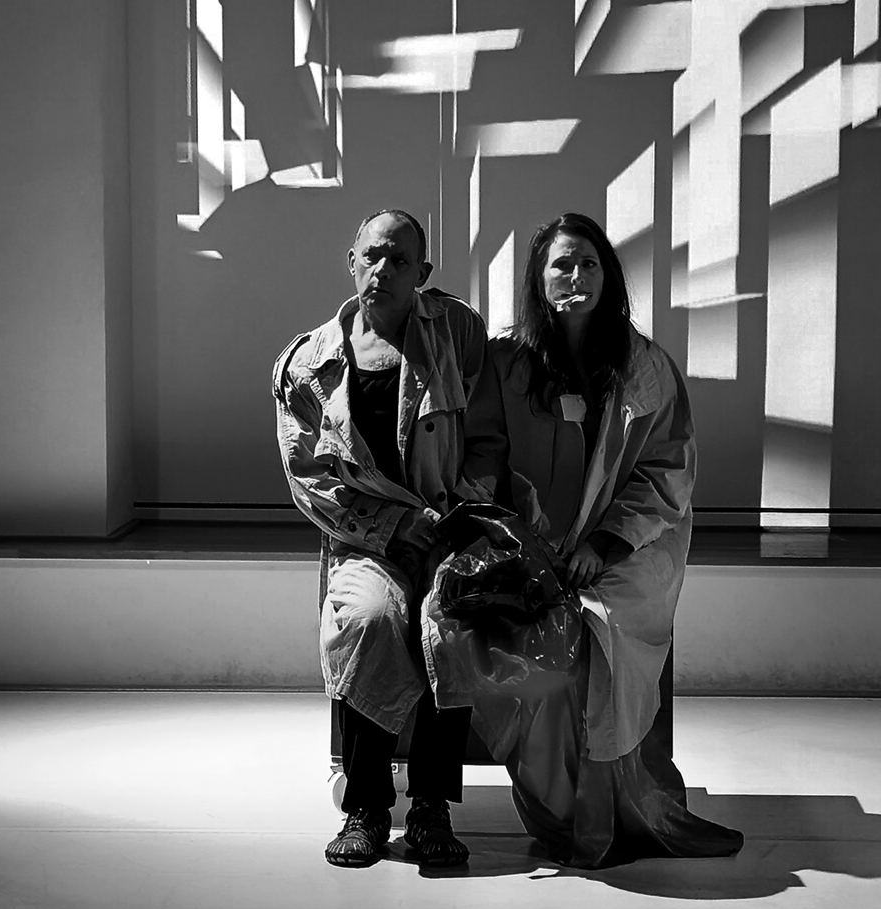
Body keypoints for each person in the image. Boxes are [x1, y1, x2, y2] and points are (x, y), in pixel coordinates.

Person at [481, 211, 744, 868]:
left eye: (588, 263)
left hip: (627, 550)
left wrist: (602, 543)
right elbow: (485, 462)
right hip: (529, 547)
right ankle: (561, 809)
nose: (575, 276)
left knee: (596, 629)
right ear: (538, 281)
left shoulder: (645, 367)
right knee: (533, 629)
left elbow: (666, 473)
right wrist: (528, 546)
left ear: (609, 275)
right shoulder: (505, 363)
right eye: (561, 264)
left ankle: (612, 811)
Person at [272, 209, 508, 868]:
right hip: (365, 541)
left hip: (449, 527)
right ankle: (366, 806)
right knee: (370, 619)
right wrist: (389, 528)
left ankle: (432, 802)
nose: (384, 270)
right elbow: (309, 479)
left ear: (422, 273)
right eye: (373, 255)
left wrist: (462, 518)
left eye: (400, 260)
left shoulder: (457, 331)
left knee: (451, 618)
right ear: (350, 259)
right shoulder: (308, 363)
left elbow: (487, 438)